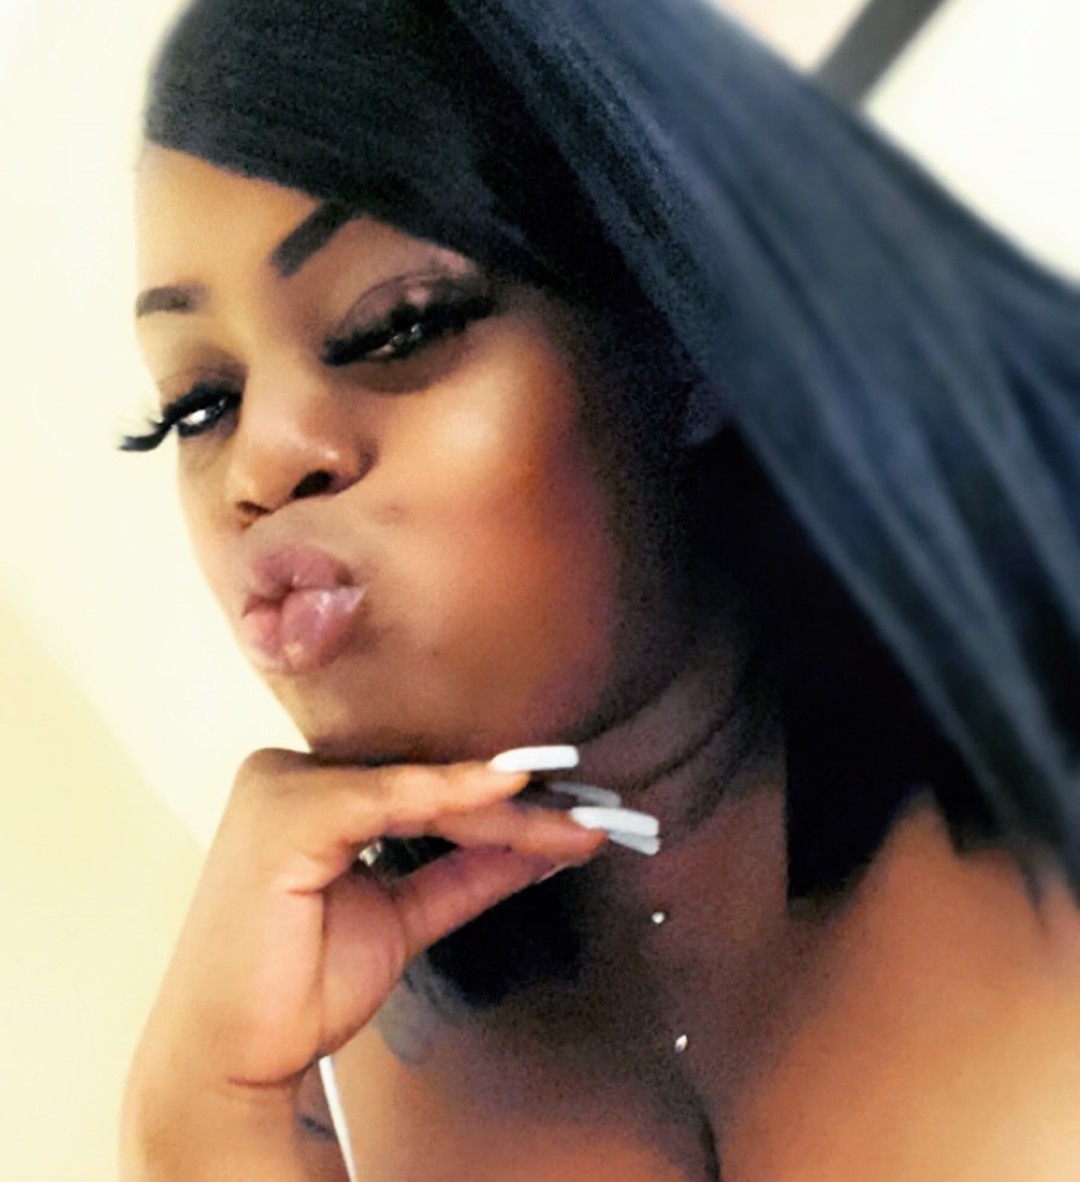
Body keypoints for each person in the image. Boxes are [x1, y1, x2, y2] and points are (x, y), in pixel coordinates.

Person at [119, 0, 1080, 1178]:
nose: (261, 466)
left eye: (398, 325)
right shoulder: (323, 1053)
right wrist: (193, 1127)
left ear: (671, 330)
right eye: (198, 405)